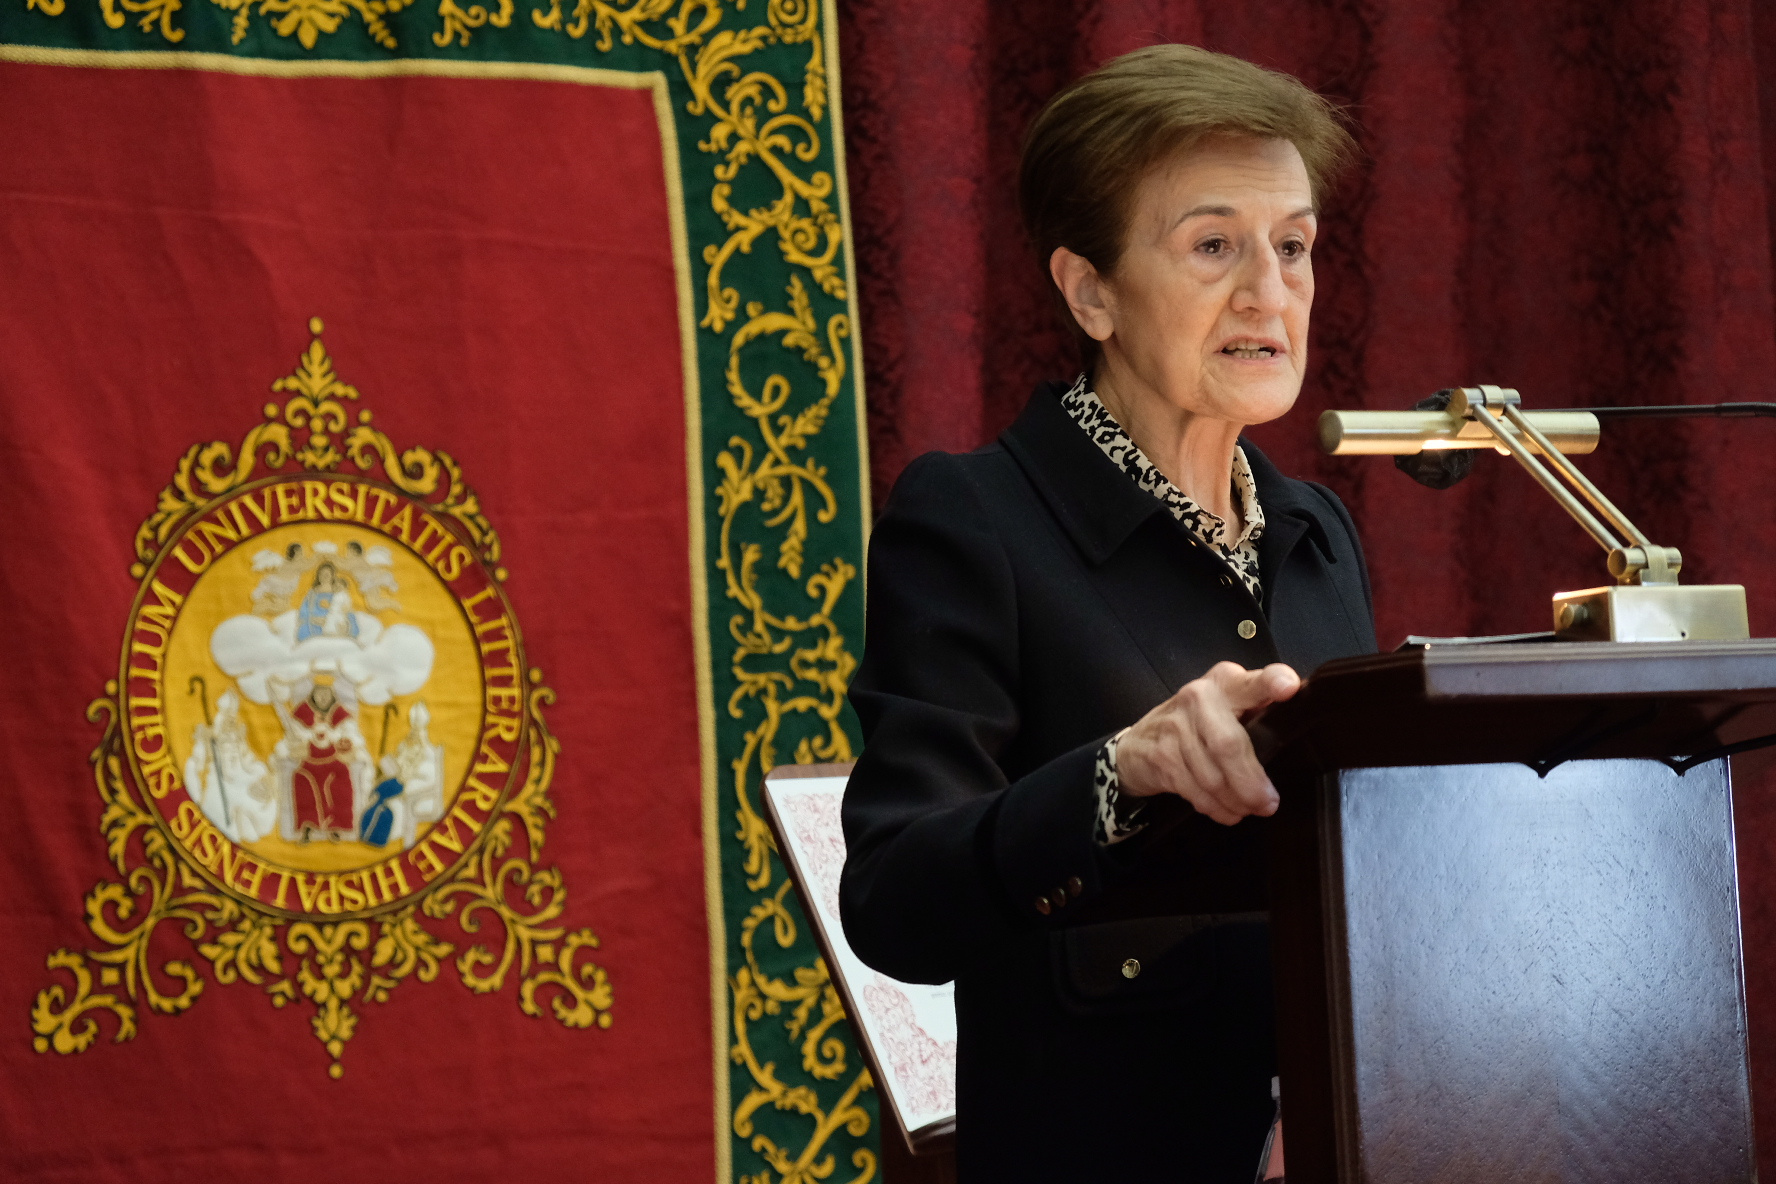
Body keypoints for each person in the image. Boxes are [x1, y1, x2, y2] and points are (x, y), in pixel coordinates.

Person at [839, 45, 1376, 1180]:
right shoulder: (974, 516)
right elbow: (894, 897)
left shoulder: (1316, 530)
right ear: (1090, 290)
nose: (1269, 293)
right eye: (1214, 245)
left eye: (1294, 246)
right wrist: (1118, 772)